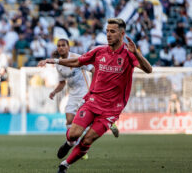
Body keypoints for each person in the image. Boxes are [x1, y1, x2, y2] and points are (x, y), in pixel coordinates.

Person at [38, 18, 152, 173]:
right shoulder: (99, 51)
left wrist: (136, 53)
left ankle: (64, 166)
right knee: (74, 134)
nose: (108, 35)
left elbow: (148, 69)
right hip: (92, 102)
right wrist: (54, 61)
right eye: (107, 31)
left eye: (113, 31)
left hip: (111, 110)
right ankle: (68, 142)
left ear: (122, 33)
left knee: (87, 140)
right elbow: (77, 61)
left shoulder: (128, 54)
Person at [50, 39, 119, 141]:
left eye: (63, 45)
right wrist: (54, 92)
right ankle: (75, 144)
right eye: (59, 46)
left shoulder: (78, 58)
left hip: (85, 92)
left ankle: (109, 122)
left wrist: (94, 88)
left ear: (68, 47)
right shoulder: (58, 65)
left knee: (87, 120)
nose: (61, 48)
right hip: (72, 95)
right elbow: (62, 83)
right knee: (69, 120)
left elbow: (93, 70)